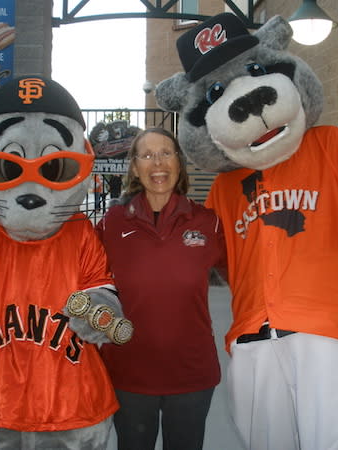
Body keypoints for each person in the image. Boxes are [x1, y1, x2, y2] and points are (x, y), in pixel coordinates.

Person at [95, 128, 227, 450]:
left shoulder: (207, 222)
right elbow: (85, 286)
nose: (158, 162)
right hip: (129, 373)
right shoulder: (111, 224)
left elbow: (249, 272)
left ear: (179, 163)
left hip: (191, 373)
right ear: (135, 167)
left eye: (166, 153)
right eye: (147, 155)